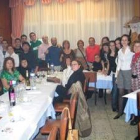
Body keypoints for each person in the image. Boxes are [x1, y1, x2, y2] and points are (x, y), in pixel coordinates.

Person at [114, 34, 134, 119]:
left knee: (129, 93)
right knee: (120, 92)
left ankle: (131, 113)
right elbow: (119, 64)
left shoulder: (132, 51)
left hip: (129, 72)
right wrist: (116, 76)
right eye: (122, 40)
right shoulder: (119, 51)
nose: (124, 41)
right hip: (121, 73)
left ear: (128, 41)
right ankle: (120, 112)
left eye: (126, 40)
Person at [129, 41, 140, 125]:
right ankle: (135, 116)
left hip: (139, 82)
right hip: (134, 82)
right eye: (135, 46)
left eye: (138, 46)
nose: (136, 48)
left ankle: (138, 119)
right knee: (136, 100)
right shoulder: (133, 56)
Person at [108, 41, 118, 111]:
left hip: (119, 73)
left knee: (116, 90)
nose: (112, 47)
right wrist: (107, 72)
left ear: (115, 45)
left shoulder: (118, 53)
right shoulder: (108, 54)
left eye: (113, 45)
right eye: (110, 45)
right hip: (113, 73)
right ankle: (114, 106)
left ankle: (115, 105)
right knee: (114, 89)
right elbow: (109, 64)